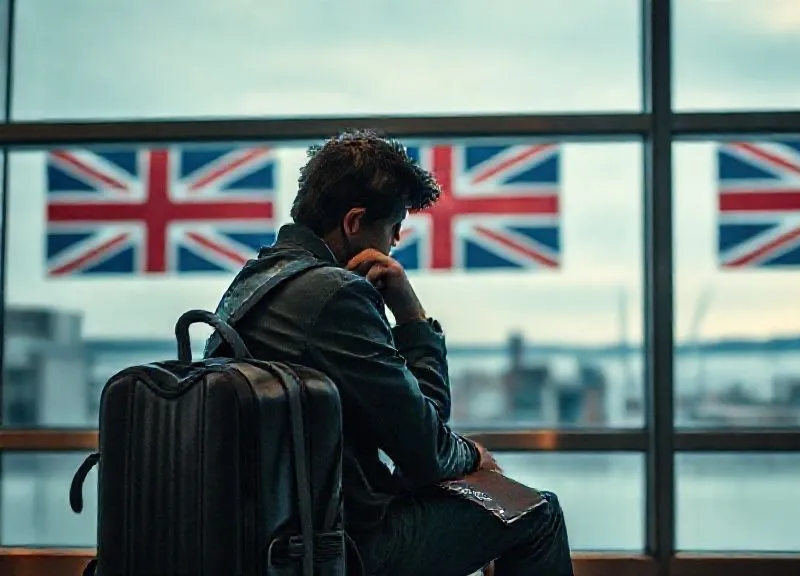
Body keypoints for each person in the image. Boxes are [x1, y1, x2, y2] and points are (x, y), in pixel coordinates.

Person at [206, 130, 574, 576]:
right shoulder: (336, 295)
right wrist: (412, 317)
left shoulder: (249, 287)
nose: (396, 240)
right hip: (342, 547)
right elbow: (426, 451)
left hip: (255, 541)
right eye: (394, 226)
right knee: (537, 515)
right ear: (354, 223)